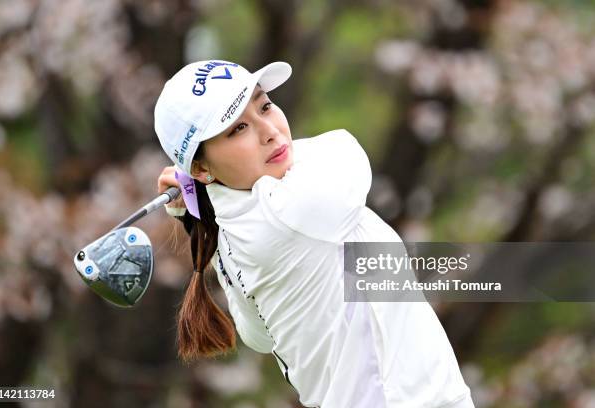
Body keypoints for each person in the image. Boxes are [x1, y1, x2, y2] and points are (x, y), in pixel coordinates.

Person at [154, 59, 475, 408]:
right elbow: (347, 150)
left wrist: (197, 202)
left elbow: (258, 336)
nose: (269, 131)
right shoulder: (289, 209)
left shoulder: (230, 233)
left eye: (265, 106)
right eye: (238, 128)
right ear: (200, 168)